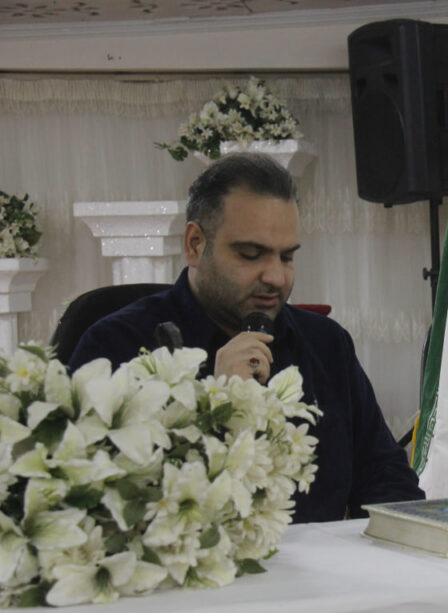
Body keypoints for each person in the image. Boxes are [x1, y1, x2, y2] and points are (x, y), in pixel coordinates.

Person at [69, 152, 424, 522]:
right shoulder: (115, 347)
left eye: (287, 257)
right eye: (252, 255)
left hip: (320, 560)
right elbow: (95, 510)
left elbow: (389, 483)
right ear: (195, 245)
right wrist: (213, 411)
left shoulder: (326, 344)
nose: (275, 277)